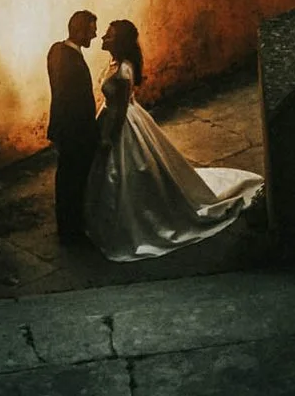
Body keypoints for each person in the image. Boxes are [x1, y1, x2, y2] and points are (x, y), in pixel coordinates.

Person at [83, 19, 265, 262]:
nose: (104, 37)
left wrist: (108, 138)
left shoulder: (125, 70)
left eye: (109, 35)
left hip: (121, 124)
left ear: (121, 42)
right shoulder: (114, 63)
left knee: (126, 173)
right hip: (109, 117)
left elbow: (123, 108)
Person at [45, 10, 101, 249]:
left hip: (63, 128)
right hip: (75, 132)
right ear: (78, 31)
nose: (95, 35)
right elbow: (73, 102)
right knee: (74, 181)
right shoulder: (74, 64)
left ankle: (66, 226)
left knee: (65, 178)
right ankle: (72, 232)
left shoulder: (56, 50)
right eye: (91, 30)